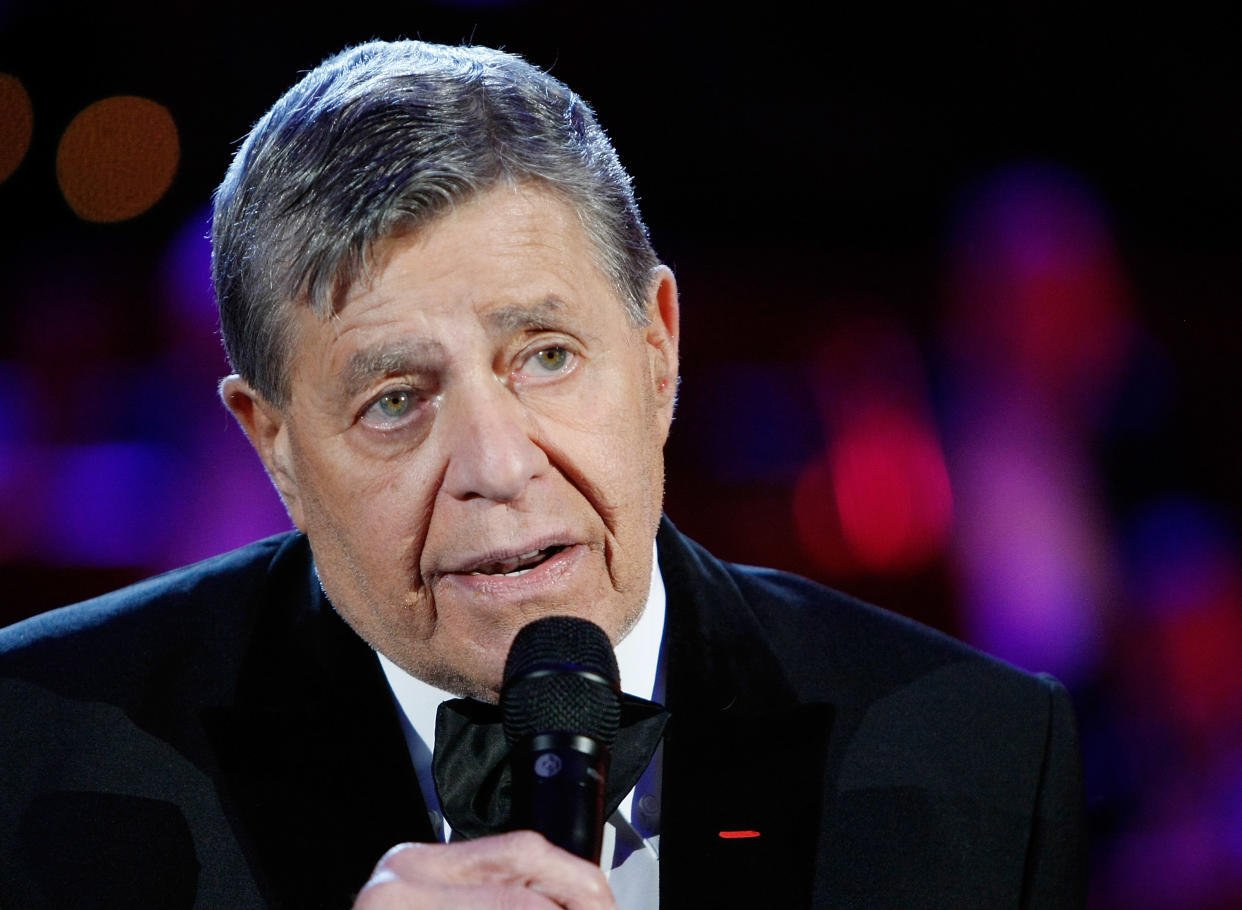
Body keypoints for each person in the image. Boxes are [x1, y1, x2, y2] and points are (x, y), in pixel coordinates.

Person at [0, 40, 1087, 909]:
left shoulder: (983, 757)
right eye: (394, 400)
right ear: (273, 442)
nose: (498, 465)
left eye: (547, 357)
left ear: (657, 349)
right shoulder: (33, 747)